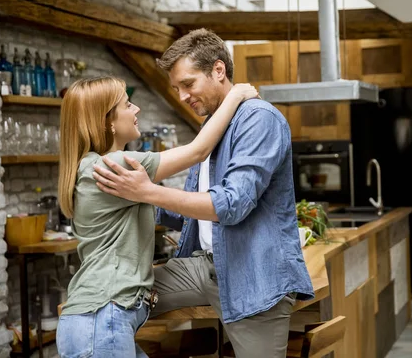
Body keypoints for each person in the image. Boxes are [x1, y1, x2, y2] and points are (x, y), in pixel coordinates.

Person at [92, 29, 314, 358]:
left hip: (254, 274)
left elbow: (231, 205)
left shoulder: (259, 120)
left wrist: (149, 192)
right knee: (106, 298)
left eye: (188, 84)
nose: (182, 96)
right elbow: (189, 211)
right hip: (201, 267)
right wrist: (127, 196)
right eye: (176, 88)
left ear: (218, 71)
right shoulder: (212, 124)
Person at [56, 75, 257, 358]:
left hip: (103, 320)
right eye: (128, 104)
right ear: (107, 122)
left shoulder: (95, 167)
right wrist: (235, 96)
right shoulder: (112, 166)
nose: (136, 109)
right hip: (102, 320)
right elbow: (198, 151)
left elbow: (160, 206)